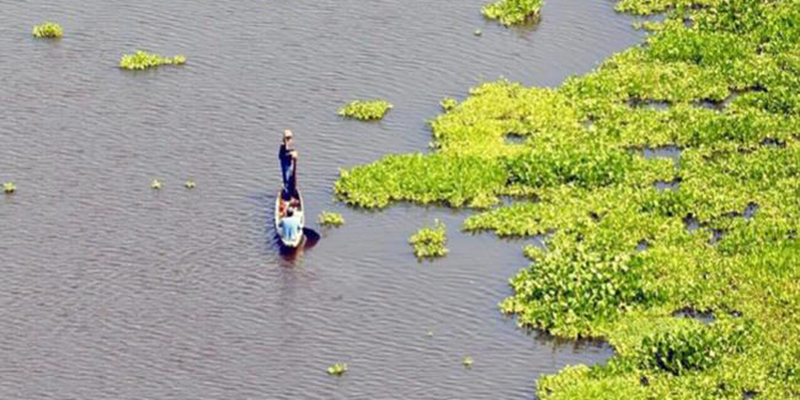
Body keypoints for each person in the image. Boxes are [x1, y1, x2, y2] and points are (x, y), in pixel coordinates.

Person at [278, 129, 298, 203]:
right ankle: (287, 196)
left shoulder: (290, 146)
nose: (289, 140)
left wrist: (293, 153)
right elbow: (280, 156)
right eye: (287, 138)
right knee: (286, 180)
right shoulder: (283, 146)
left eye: (290, 138)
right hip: (285, 165)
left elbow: (290, 151)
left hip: (290, 165)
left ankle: (292, 193)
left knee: (291, 178)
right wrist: (290, 154)